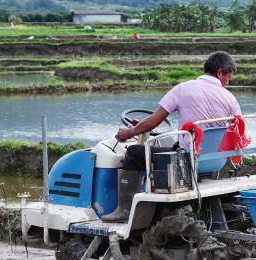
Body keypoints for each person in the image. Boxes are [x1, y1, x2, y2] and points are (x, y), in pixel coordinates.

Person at [102, 51, 242, 222]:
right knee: (172, 144)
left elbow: (153, 123)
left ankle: (124, 210)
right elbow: (237, 130)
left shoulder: (183, 89)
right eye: (228, 77)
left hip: (186, 160)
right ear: (220, 72)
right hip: (215, 161)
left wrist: (129, 132)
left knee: (133, 152)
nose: (228, 81)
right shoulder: (230, 98)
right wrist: (142, 126)